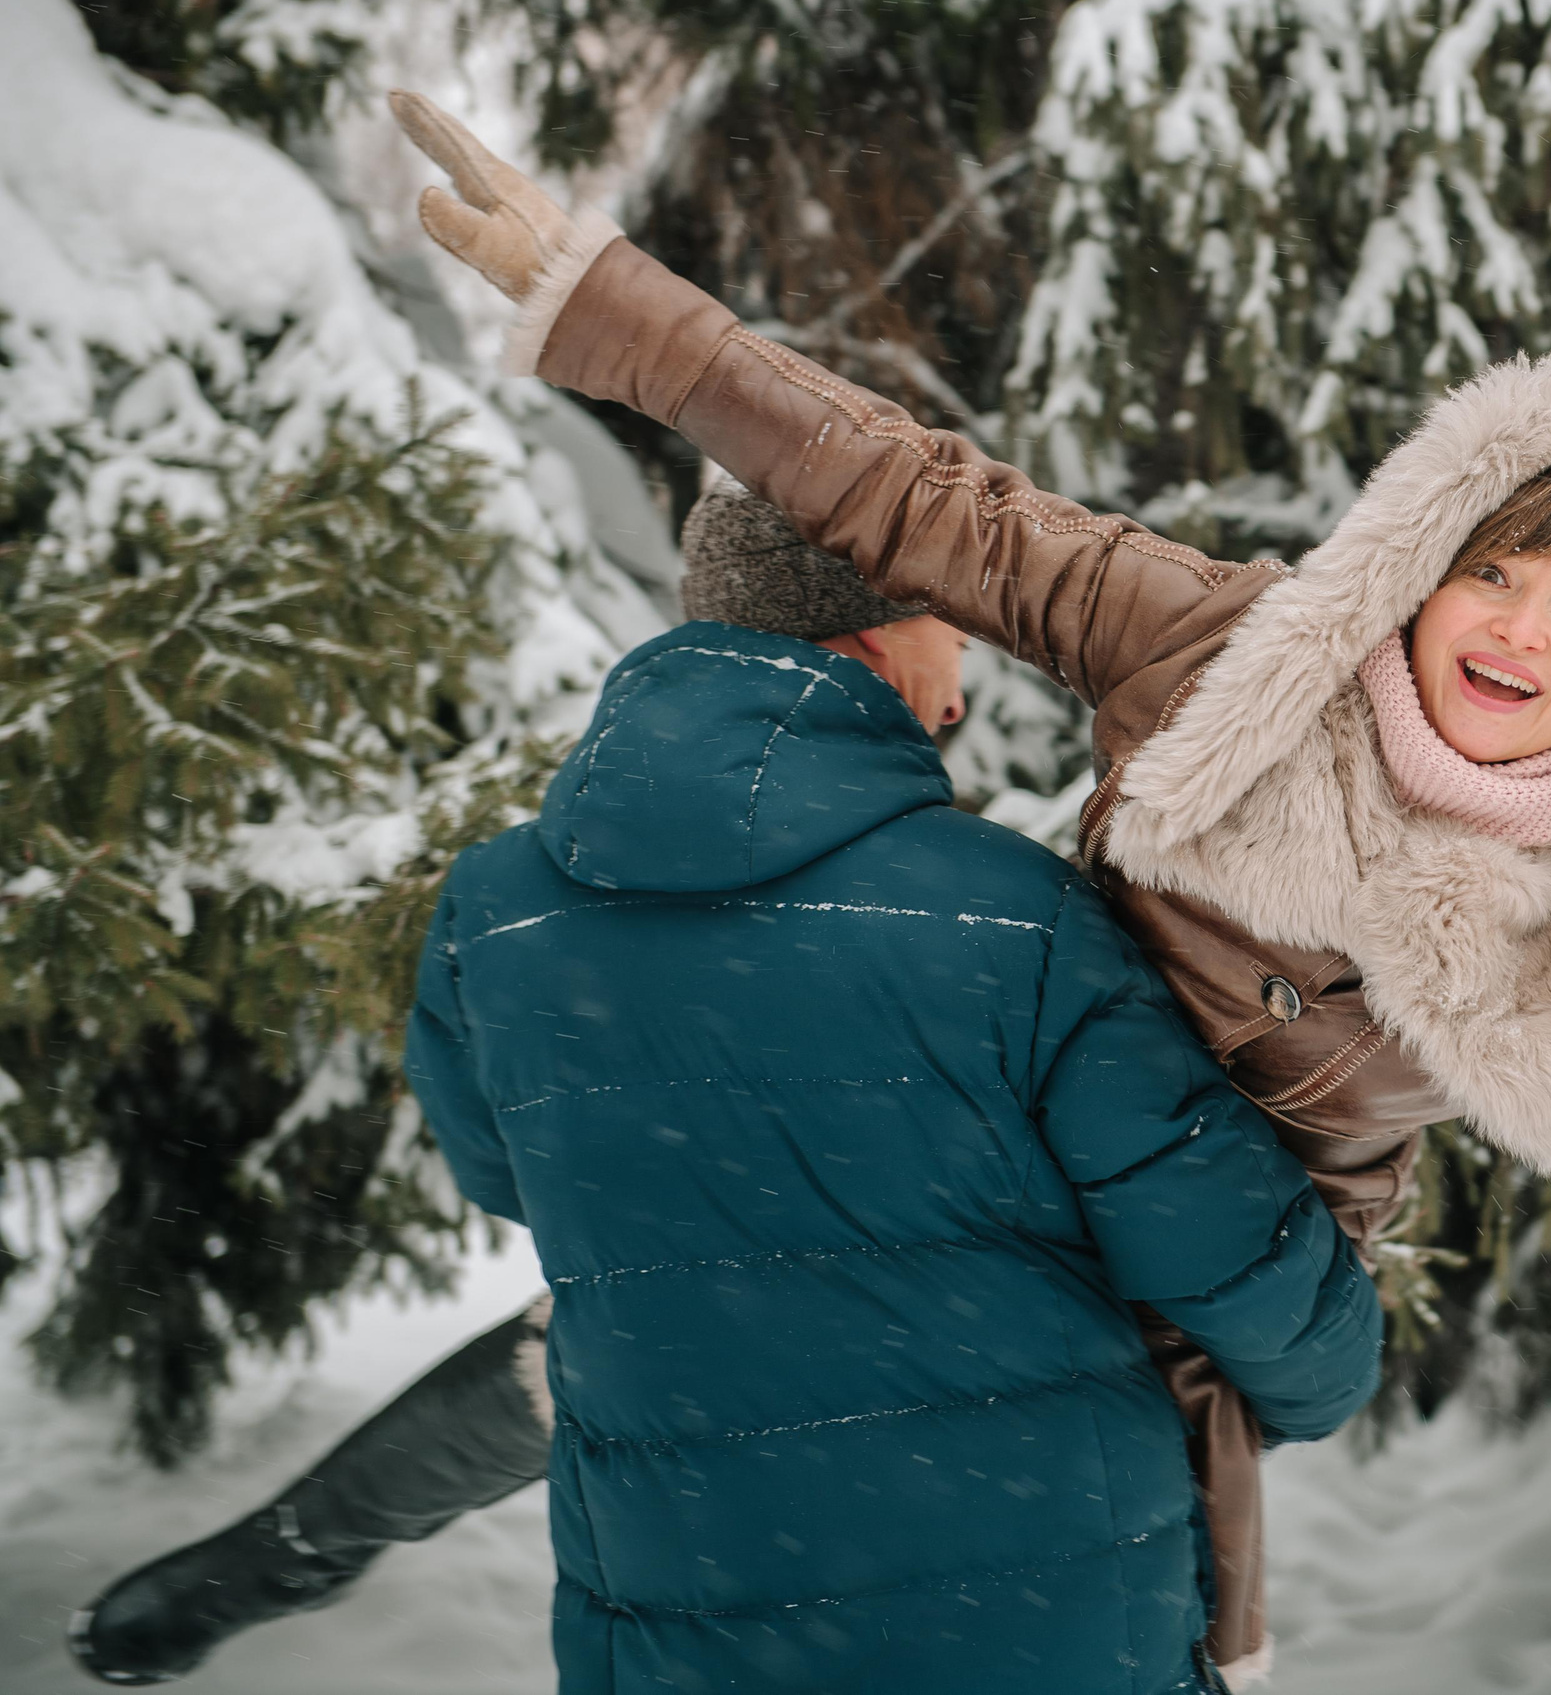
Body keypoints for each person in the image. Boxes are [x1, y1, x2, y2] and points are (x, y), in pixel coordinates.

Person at [68, 89, 1551, 1687]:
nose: (1521, 628)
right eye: (1498, 571)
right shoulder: (1232, 650)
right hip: (989, 1122)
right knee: (641, 1357)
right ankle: (257, 1568)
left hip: (1193, 1305)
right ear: (1419, 570)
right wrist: (615, 314)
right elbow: (924, 501)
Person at [87, 521, 1385, 1695]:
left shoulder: (499, 913)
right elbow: (1246, 1280)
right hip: (1045, 1619)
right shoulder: (1010, 914)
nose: (960, 685)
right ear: (872, 635)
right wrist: (1328, 1360)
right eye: (947, 632)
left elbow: (511, 1178)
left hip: (676, 1616)